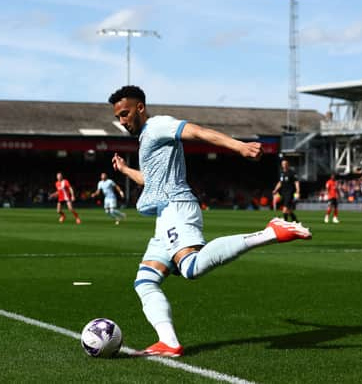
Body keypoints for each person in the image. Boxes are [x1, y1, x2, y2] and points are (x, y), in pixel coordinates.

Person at [108, 85, 311, 357]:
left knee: (191, 267)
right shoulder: (146, 138)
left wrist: (239, 146)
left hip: (176, 208)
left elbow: (198, 132)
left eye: (125, 114)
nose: (122, 121)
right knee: (145, 281)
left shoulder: (158, 126)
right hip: (163, 214)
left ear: (140, 108)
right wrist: (124, 169)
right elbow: (150, 182)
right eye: (119, 116)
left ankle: (270, 232)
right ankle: (168, 342)